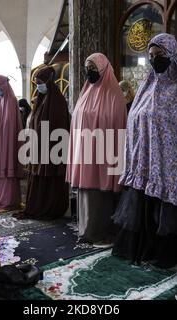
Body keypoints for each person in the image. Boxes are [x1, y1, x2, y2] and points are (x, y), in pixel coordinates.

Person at [112, 33, 177, 268]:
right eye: (150, 56)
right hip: (148, 167)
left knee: (169, 215)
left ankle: (173, 253)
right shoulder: (146, 88)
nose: (154, 60)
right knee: (148, 213)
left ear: (171, 54)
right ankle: (148, 249)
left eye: (159, 55)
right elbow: (136, 120)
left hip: (174, 173)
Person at [66, 53, 127, 247]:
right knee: (86, 194)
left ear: (103, 69)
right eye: (87, 67)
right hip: (85, 152)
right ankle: (86, 229)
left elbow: (116, 125)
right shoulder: (87, 91)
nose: (89, 71)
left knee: (100, 197)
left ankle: (99, 231)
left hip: (104, 154)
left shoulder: (113, 94)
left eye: (93, 67)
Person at [17, 66, 70, 220]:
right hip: (38, 148)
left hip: (51, 149)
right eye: (36, 83)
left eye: (40, 82)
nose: (38, 86)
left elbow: (58, 128)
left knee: (49, 180)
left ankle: (49, 207)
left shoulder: (57, 101)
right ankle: (37, 206)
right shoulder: (41, 100)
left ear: (48, 82)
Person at [0, 76, 24, 210]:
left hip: (8, 143)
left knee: (7, 169)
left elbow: (12, 126)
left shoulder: (12, 101)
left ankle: (8, 199)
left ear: (4, 86)